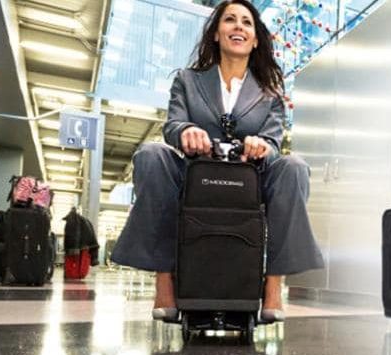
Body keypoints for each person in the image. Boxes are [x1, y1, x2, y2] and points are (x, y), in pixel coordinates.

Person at [110, 0, 324, 323]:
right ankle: (164, 279)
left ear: (254, 40)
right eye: (230, 20)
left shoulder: (270, 94)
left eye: (246, 23)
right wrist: (187, 132)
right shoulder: (188, 80)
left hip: (250, 180)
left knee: (294, 168)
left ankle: (274, 285)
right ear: (215, 34)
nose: (238, 26)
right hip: (196, 173)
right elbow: (172, 125)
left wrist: (262, 145)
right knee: (151, 156)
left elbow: (274, 143)